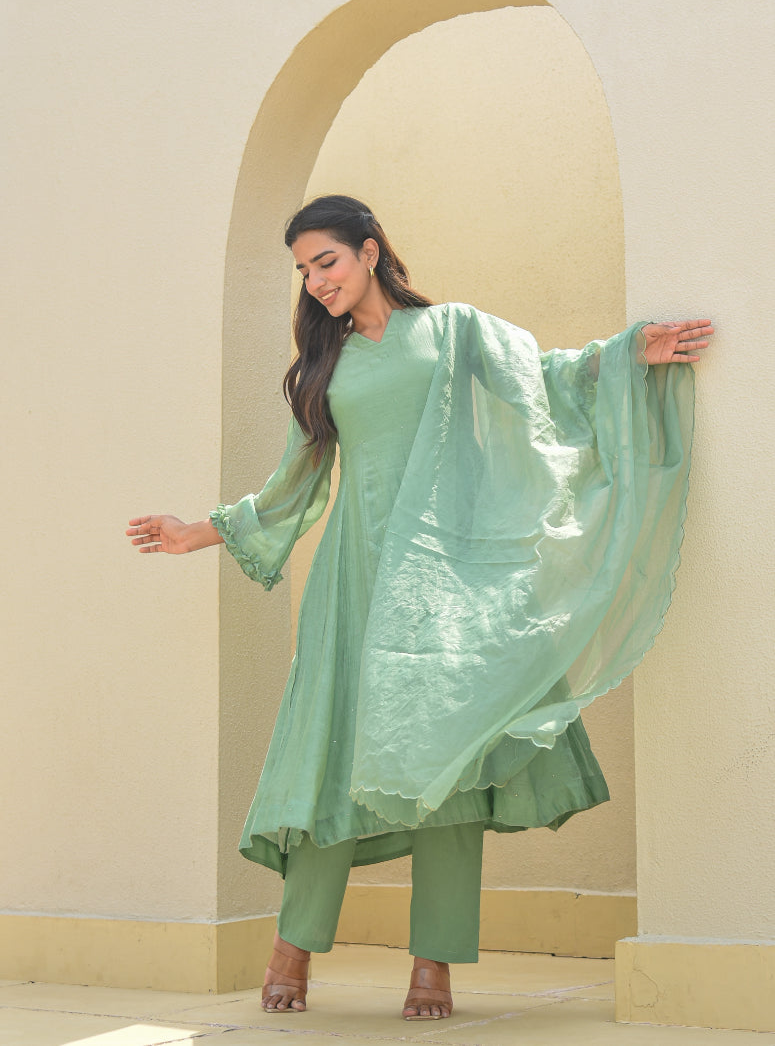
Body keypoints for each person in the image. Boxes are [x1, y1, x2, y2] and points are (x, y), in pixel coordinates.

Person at [127, 194, 713, 1020]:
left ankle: (432, 963)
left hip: (450, 579)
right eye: (303, 269)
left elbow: (541, 379)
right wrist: (202, 532)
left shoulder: (455, 334)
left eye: (325, 260)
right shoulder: (319, 370)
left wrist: (627, 357)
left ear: (370, 252)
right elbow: (296, 482)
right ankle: (294, 942)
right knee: (331, 751)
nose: (315, 281)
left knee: (452, 755)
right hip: (355, 580)